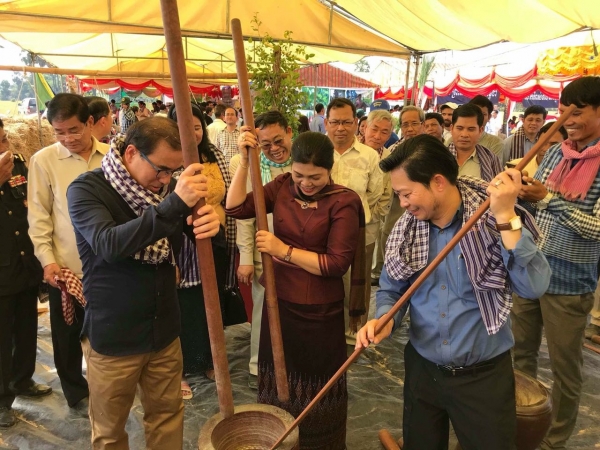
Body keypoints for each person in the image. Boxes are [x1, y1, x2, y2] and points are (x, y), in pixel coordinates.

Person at [357, 134, 551, 450]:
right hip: (423, 368)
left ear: (437, 182)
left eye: (406, 193)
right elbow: (392, 289)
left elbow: (533, 286)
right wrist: (386, 318)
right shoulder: (408, 229)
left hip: (483, 376)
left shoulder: (492, 218)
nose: (402, 204)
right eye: (398, 195)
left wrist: (506, 216)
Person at [67, 117, 221, 449]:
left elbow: (196, 237)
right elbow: (109, 244)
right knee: (109, 432)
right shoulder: (87, 189)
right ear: (132, 153)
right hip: (114, 337)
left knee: (167, 417)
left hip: (163, 331)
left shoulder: (168, 192)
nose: (165, 179)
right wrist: (174, 205)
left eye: (173, 172)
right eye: (161, 170)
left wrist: (208, 225)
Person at [226, 131, 365, 449]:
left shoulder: (344, 201)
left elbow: (335, 264)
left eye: (315, 177)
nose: (305, 183)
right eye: (300, 174)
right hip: (278, 303)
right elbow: (235, 209)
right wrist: (244, 163)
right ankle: (279, 438)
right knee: (278, 377)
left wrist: (282, 250)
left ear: (330, 169)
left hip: (319, 310)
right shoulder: (282, 186)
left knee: (317, 384)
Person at [511, 76, 600, 450]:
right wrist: (520, 189)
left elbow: (597, 228)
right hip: (529, 269)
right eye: (562, 112)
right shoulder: (556, 152)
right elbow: (536, 207)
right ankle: (517, 427)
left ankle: (554, 440)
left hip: (568, 281)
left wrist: (547, 198)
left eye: (576, 113)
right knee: (518, 354)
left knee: (565, 368)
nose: (567, 120)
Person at [28, 93, 105, 412]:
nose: (67, 138)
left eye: (73, 130)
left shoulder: (111, 156)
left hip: (108, 265)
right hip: (66, 268)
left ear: (90, 122)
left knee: (106, 332)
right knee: (67, 334)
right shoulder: (44, 161)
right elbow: (39, 216)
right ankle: (76, 391)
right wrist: (47, 261)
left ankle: (108, 387)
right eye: (59, 132)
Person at [168, 103, 236, 398]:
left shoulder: (214, 155)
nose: (191, 133)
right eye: (183, 128)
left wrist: (229, 238)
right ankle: (180, 370)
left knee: (211, 301)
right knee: (182, 305)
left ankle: (209, 360)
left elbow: (230, 198)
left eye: (196, 127)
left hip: (215, 238)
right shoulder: (168, 159)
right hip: (180, 245)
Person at [231, 111, 293, 390]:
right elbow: (243, 215)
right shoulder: (247, 163)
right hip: (264, 251)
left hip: (298, 251)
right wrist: (246, 258)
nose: (274, 149)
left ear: (289, 132)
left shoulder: (304, 158)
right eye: (265, 145)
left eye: (278, 140)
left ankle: (289, 363)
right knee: (263, 310)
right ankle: (258, 367)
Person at [0, 120, 51, 430]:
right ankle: (1, 400)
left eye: (4, 139)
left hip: (24, 263)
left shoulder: (18, 164)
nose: (3, 147)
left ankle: (22, 380)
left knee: (26, 327)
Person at [325, 97, 383, 343]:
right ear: (326, 123)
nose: (340, 128)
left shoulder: (369, 156)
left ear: (357, 123)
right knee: (325, 284)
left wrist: (354, 218)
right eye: (335, 122)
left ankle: (353, 337)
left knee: (356, 285)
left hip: (359, 233)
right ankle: (326, 331)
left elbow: (376, 193)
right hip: (321, 232)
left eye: (346, 122)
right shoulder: (317, 151)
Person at [448, 104, 502, 182]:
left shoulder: (491, 160)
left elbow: (499, 186)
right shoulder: (439, 157)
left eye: (471, 129)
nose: (464, 135)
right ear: (452, 129)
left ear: (480, 130)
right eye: (459, 128)